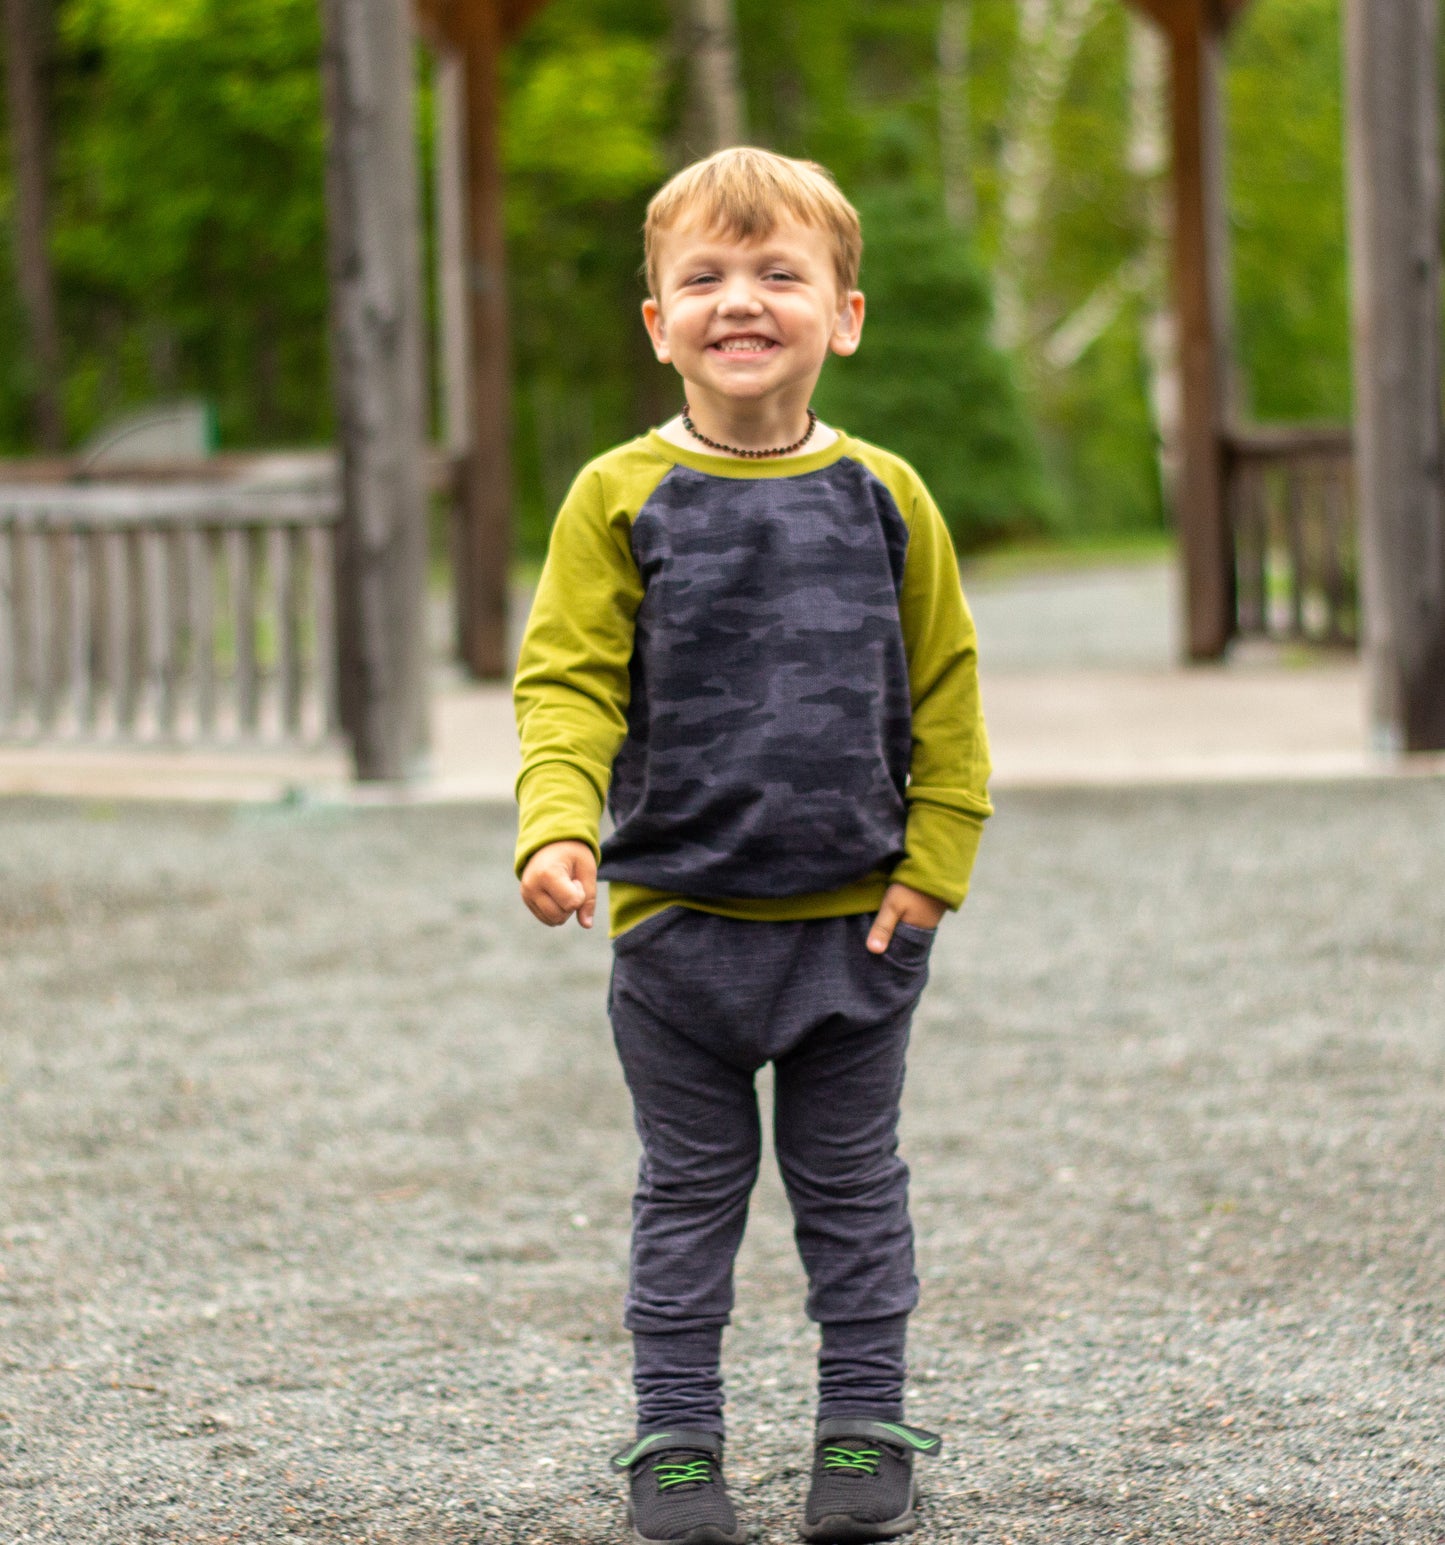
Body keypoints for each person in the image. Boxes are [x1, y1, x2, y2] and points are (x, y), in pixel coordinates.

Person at [513, 146, 992, 1545]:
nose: (740, 299)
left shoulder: (888, 497)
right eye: (703, 277)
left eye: (778, 273)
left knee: (852, 1197)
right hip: (676, 931)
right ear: (654, 320)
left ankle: (862, 1423)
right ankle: (674, 1439)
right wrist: (557, 826)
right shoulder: (615, 497)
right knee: (687, 1197)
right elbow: (567, 683)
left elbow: (947, 688)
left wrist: (932, 864)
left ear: (842, 313)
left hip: (857, 929)